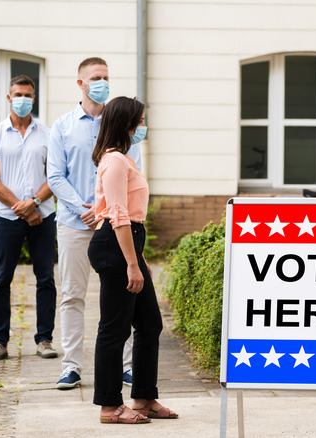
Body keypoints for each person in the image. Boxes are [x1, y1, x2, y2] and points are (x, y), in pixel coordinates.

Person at [47, 57, 139, 389]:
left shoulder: (122, 125)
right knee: (72, 296)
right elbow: (55, 176)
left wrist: (102, 212)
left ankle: (125, 365)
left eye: (106, 77)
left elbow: (131, 173)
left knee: (118, 297)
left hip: (112, 225)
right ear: (81, 83)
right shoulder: (62, 126)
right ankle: (71, 366)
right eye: (95, 77)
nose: (102, 82)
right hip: (73, 223)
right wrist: (80, 206)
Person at [86, 97, 177, 424]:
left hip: (125, 243)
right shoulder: (114, 161)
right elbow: (117, 216)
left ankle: (142, 397)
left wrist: (137, 258)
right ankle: (110, 405)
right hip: (115, 243)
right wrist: (132, 263)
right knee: (114, 328)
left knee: (150, 322)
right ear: (125, 123)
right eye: (139, 121)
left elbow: (121, 213)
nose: (143, 126)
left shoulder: (124, 159)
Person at [0, 74, 58, 362]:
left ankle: (44, 339)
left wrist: (35, 203)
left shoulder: (48, 134)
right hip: (7, 218)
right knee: (1, 280)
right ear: (9, 97)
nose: (23, 99)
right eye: (17, 94)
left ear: (33, 98)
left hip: (43, 216)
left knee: (46, 278)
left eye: (28, 95)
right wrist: (22, 208)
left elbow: (56, 176)